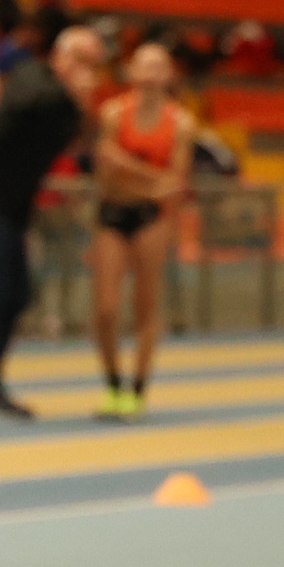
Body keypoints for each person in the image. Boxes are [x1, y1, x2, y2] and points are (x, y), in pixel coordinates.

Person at [0, 13, 107, 420]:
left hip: (12, 207)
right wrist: (68, 91)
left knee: (18, 293)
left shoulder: (67, 104)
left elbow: (79, 145)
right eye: (82, 60)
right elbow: (26, 101)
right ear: (62, 56)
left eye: (94, 64)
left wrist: (80, 104)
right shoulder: (32, 75)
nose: (88, 72)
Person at [87, 43, 199, 421]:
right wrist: (152, 180)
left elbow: (175, 184)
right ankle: (112, 383)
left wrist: (128, 168)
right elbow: (106, 174)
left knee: (145, 305)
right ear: (131, 72)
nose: (150, 74)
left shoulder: (181, 123)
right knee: (105, 308)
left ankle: (137, 387)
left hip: (152, 219)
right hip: (112, 214)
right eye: (144, 66)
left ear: (169, 75)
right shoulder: (114, 113)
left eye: (158, 66)